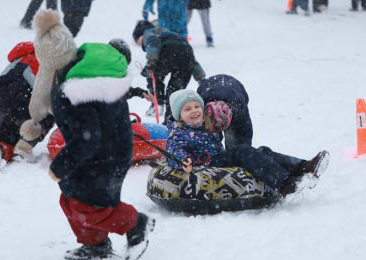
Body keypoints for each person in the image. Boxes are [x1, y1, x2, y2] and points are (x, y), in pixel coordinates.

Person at [48, 41, 155, 260]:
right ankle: (95, 243)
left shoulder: (78, 91)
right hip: (99, 153)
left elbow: (88, 138)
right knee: (70, 199)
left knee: (90, 207)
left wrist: (61, 165)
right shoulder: (92, 80)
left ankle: (136, 224)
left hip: (104, 158)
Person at [166, 89, 330, 197]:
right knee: (242, 151)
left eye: (197, 106)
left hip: (218, 158)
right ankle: (284, 184)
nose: (194, 111)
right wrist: (183, 160)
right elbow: (173, 150)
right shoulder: (179, 133)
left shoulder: (205, 125)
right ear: (179, 115)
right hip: (206, 166)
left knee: (262, 151)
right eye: (187, 109)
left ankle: (302, 167)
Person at [0, 42, 54, 170]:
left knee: (8, 137)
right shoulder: (52, 64)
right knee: (55, 108)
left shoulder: (21, 58)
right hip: (22, 111)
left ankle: (0, 148)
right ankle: (24, 146)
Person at [14, 9, 77, 160]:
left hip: (13, 110)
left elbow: (39, 100)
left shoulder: (44, 70)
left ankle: (22, 144)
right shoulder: (77, 65)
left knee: (50, 106)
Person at [132, 20, 206, 123]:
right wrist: (201, 78)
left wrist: (151, 62)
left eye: (138, 41)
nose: (139, 44)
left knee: (152, 75)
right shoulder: (172, 34)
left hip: (167, 52)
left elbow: (153, 42)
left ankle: (157, 103)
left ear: (140, 34)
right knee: (174, 91)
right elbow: (192, 61)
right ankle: (169, 121)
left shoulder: (149, 32)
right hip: (185, 53)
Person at [197, 74, 253, 147]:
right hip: (208, 84)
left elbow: (245, 134)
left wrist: (242, 150)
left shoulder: (241, 110)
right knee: (210, 140)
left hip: (236, 87)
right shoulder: (199, 103)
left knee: (234, 142)